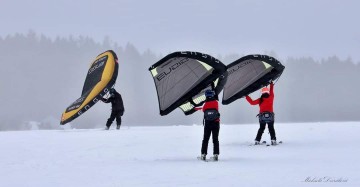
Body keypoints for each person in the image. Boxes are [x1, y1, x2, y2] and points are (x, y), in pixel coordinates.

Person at [195, 89, 220, 161]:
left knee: (205, 139)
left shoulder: (205, 104)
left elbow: (202, 109)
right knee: (215, 139)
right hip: (216, 122)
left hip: (208, 123)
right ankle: (216, 155)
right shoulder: (216, 102)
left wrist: (195, 108)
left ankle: (203, 155)